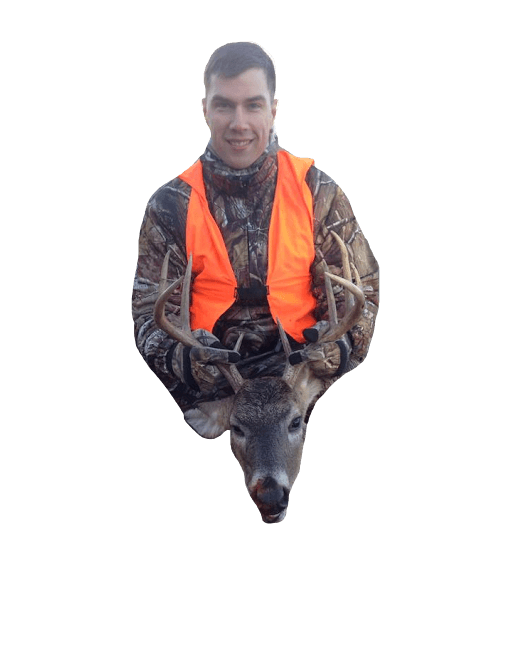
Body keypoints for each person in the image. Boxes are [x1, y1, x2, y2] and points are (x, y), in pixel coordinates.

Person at [132, 41, 379, 431]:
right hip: (214, 388)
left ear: (273, 109)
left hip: (303, 378)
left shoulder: (318, 192)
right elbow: (149, 315)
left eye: (253, 105)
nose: (239, 123)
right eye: (224, 105)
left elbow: (362, 291)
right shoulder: (170, 205)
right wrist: (187, 361)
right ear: (205, 109)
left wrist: (341, 348)